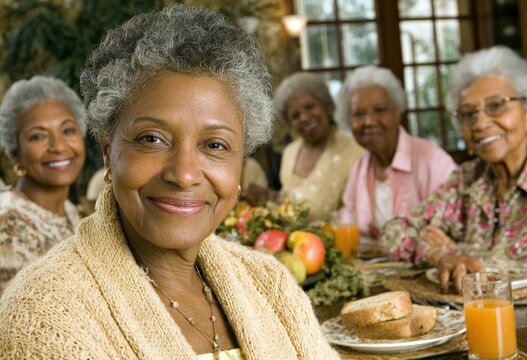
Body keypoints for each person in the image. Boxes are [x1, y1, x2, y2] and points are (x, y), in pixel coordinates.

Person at [0, 5, 339, 359]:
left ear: (240, 165)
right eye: (152, 139)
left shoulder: (269, 283)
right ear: (107, 153)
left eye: (215, 145)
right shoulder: (45, 310)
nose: (184, 174)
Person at [380, 46, 527, 294]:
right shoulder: (466, 179)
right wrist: (438, 253)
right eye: (468, 114)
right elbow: (393, 232)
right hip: (479, 314)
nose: (480, 122)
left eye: (496, 105)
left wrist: (459, 249)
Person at [335, 66, 456, 254]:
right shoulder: (360, 167)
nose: (369, 121)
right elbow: (347, 225)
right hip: (373, 270)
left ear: (397, 112)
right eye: (358, 114)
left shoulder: (432, 159)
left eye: (380, 110)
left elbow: (450, 228)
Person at [0, 76, 86, 294]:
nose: (58, 146)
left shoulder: (69, 211)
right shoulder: (7, 224)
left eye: (67, 130)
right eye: (38, 136)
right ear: (15, 152)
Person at [275, 72, 364, 220]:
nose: (304, 117)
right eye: (295, 115)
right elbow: (285, 203)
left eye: (310, 107)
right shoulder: (289, 152)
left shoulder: (355, 152)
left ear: (325, 105)